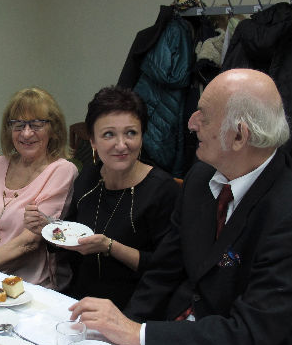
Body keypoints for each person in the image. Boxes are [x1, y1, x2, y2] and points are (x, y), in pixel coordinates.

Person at [69, 69, 292, 345]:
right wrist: (124, 329)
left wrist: (137, 334)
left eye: (203, 116)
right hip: (185, 342)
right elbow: (164, 270)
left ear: (239, 136)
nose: (191, 122)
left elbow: (249, 334)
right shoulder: (201, 177)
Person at [24, 86, 179, 307]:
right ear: (93, 141)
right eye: (109, 134)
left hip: (134, 307)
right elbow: (71, 240)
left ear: (142, 136)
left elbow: (166, 268)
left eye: (131, 133)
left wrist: (109, 246)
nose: (121, 145)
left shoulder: (162, 190)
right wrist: (47, 227)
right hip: (79, 301)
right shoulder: (89, 177)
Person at [0, 87, 77, 288]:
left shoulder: (62, 170)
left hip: (25, 285)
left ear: (53, 129)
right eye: (18, 125)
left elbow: (28, 242)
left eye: (37, 125)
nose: (26, 133)